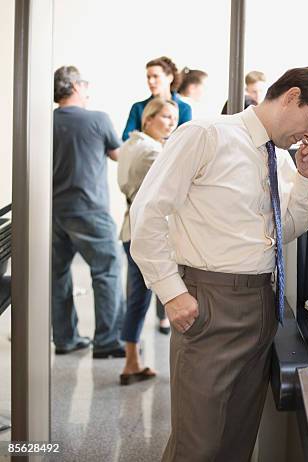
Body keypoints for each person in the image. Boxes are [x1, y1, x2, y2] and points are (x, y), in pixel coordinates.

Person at [129, 66, 308, 461]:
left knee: (237, 441)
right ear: (292, 96)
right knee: (199, 444)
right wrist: (172, 292)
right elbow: (148, 213)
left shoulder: (277, 158)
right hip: (210, 302)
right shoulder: (207, 135)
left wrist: (305, 179)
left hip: (261, 304)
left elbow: (287, 229)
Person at [52, 66, 126, 358]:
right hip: (90, 210)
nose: (87, 89)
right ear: (75, 86)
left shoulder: (43, 122)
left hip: (53, 211)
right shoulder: (97, 119)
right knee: (107, 272)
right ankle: (108, 342)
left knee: (57, 275)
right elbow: (118, 155)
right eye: (84, 84)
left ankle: (65, 339)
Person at [117, 98, 179, 385]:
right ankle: (134, 363)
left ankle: (132, 361)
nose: (171, 122)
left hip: (131, 228)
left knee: (137, 299)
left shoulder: (130, 145)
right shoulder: (153, 152)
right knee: (168, 298)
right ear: (149, 118)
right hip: (147, 232)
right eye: (165, 117)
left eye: (173, 117)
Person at [122, 56, 191, 141]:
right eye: (148, 77)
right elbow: (126, 138)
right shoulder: (138, 107)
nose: (150, 81)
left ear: (170, 78)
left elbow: (185, 140)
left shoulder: (184, 108)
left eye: (155, 76)